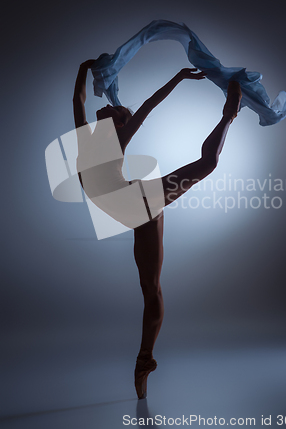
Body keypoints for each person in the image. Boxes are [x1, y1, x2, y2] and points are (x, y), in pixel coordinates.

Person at [73, 60, 242, 399]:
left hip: (138, 199)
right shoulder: (86, 137)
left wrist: (178, 76)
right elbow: (78, 100)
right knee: (151, 287)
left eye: (113, 107)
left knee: (206, 164)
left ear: (119, 120)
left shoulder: (117, 136)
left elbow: (149, 105)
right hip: (136, 209)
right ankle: (144, 360)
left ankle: (229, 115)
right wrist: (83, 67)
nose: (105, 103)